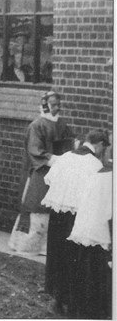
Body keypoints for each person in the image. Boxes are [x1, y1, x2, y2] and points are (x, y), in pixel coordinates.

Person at [40, 129, 108, 316]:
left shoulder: (65, 157)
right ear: (100, 145)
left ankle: (56, 298)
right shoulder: (94, 164)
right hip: (77, 217)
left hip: (57, 215)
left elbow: (51, 182)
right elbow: (96, 196)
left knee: (56, 254)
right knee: (75, 259)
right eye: (105, 148)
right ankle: (71, 301)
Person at [8, 91, 74, 255]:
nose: (57, 108)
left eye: (59, 105)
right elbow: (35, 150)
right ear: (45, 106)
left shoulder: (62, 125)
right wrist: (55, 159)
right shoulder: (36, 126)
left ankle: (49, 246)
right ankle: (28, 245)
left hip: (59, 173)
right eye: (53, 105)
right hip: (41, 172)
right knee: (37, 205)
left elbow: (69, 143)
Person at [65, 136, 112, 319]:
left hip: (86, 229)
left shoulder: (99, 173)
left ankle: (80, 307)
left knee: (87, 269)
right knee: (96, 273)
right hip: (97, 231)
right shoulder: (103, 174)